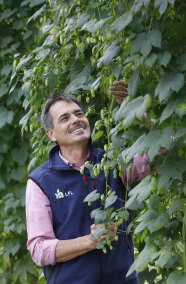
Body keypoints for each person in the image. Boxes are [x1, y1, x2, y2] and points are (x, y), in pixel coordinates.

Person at [26, 81, 150, 283]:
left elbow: (164, 150)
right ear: (51, 134)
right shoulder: (41, 181)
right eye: (65, 118)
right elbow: (39, 249)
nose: (76, 120)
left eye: (79, 114)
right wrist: (89, 242)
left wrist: (133, 110)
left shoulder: (112, 162)